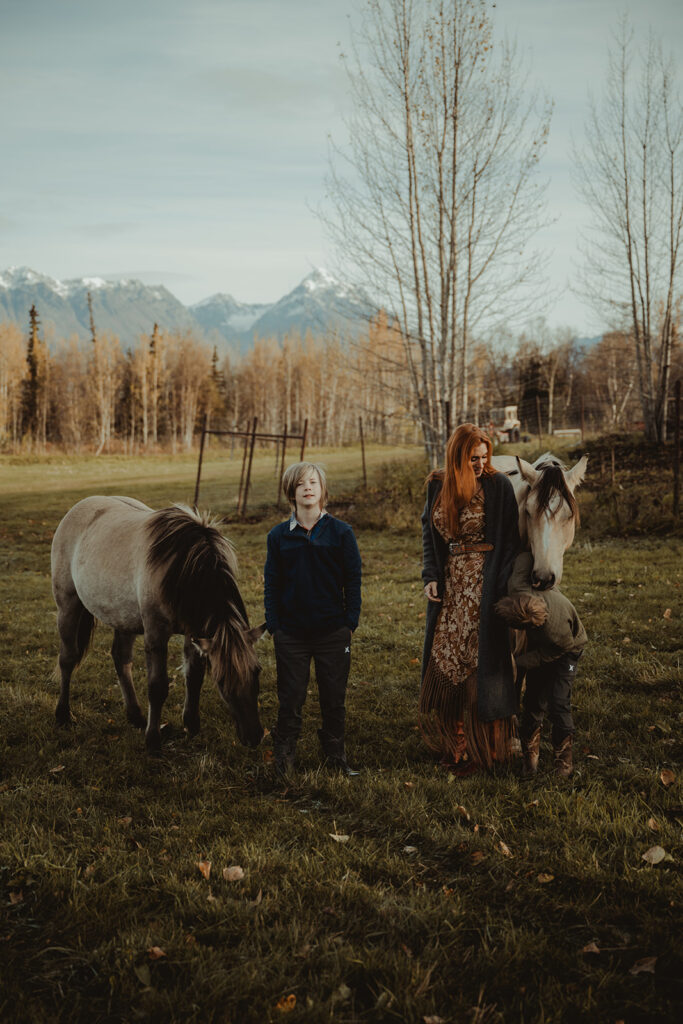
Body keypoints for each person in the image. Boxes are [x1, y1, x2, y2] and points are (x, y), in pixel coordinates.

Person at [419, 423, 520, 775]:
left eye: (484, 456)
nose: (480, 463)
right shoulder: (437, 484)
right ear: (457, 455)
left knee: (482, 664)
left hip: (485, 582)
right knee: (448, 659)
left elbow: (509, 542)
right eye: (472, 457)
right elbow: (428, 535)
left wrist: (502, 585)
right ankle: (456, 743)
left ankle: (485, 749)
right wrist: (431, 576)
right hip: (450, 587)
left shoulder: (499, 486)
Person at [264, 461, 362, 777]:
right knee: (290, 696)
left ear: (322, 490)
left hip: (333, 630)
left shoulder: (341, 532)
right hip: (291, 633)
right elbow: (272, 582)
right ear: (291, 492)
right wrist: (275, 624)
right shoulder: (278, 536)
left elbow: (353, 578)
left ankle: (335, 754)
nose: (308, 488)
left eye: (313, 483)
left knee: (333, 696)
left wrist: (350, 621)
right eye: (300, 484)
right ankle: (285, 754)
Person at [494, 551, 587, 778]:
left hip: (568, 652)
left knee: (558, 700)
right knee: (534, 700)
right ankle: (530, 760)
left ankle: (564, 762)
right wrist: (538, 567)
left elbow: (559, 648)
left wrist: (520, 662)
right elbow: (525, 556)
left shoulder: (555, 631)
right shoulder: (518, 590)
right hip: (539, 647)